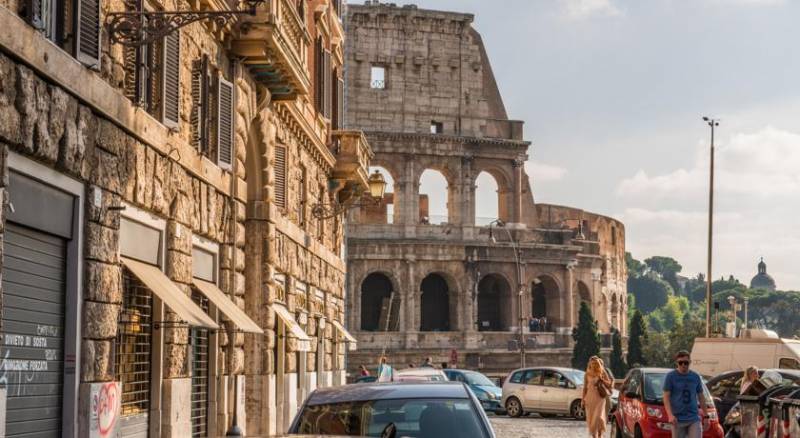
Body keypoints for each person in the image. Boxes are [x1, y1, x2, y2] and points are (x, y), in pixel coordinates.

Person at [663, 350, 707, 438]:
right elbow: (666, 397)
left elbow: (701, 397)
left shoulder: (695, 376)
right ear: (677, 363)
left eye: (686, 362)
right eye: (680, 362)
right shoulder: (671, 376)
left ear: (690, 362)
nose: (683, 365)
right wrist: (670, 415)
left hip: (693, 418)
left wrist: (706, 416)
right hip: (677, 419)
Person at [581, 356, 613, 438]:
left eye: (595, 363)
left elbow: (609, 385)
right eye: (592, 363)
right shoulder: (587, 374)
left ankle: (600, 434)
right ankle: (594, 436)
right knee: (591, 417)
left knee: (598, 417)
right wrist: (582, 400)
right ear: (589, 364)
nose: (593, 365)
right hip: (589, 398)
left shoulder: (602, 372)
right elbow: (584, 388)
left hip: (600, 398)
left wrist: (602, 380)